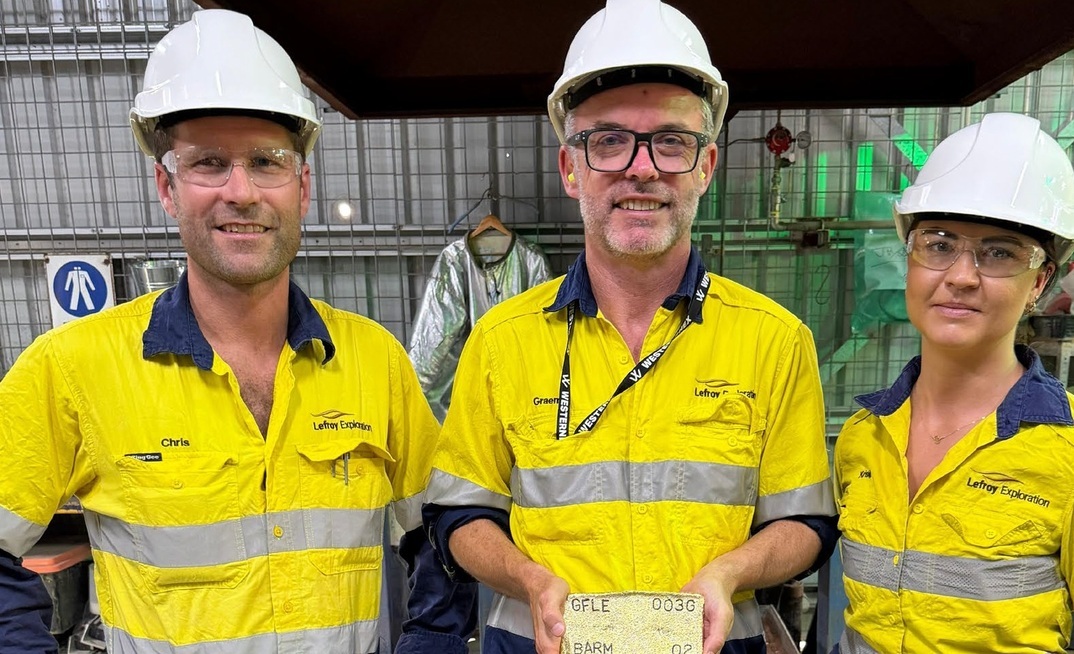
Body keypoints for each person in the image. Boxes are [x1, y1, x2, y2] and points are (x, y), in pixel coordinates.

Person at [0, 9, 472, 654]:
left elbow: (444, 530)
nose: (241, 191)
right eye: (210, 163)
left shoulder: (373, 362)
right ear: (167, 187)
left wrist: (431, 644)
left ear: (302, 186)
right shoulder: (72, 369)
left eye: (266, 161)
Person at [421, 1, 839, 653]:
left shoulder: (774, 340)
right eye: (609, 139)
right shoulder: (503, 341)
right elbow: (457, 513)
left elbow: (807, 522)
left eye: (671, 141)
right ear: (570, 168)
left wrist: (733, 572)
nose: (641, 167)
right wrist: (528, 579)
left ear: (706, 165)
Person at [833, 112, 1074, 653]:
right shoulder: (862, 437)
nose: (961, 276)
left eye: (999, 253)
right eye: (938, 244)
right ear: (910, 260)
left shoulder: (1066, 452)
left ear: (1038, 282)